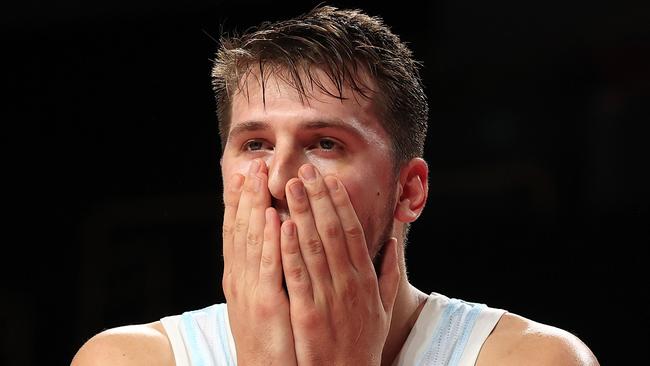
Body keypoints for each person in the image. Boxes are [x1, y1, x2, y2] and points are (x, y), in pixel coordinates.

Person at [72, 6, 599, 366]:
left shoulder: (529, 358)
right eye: (254, 145)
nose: (278, 180)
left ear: (409, 190)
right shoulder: (131, 358)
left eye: (324, 144)